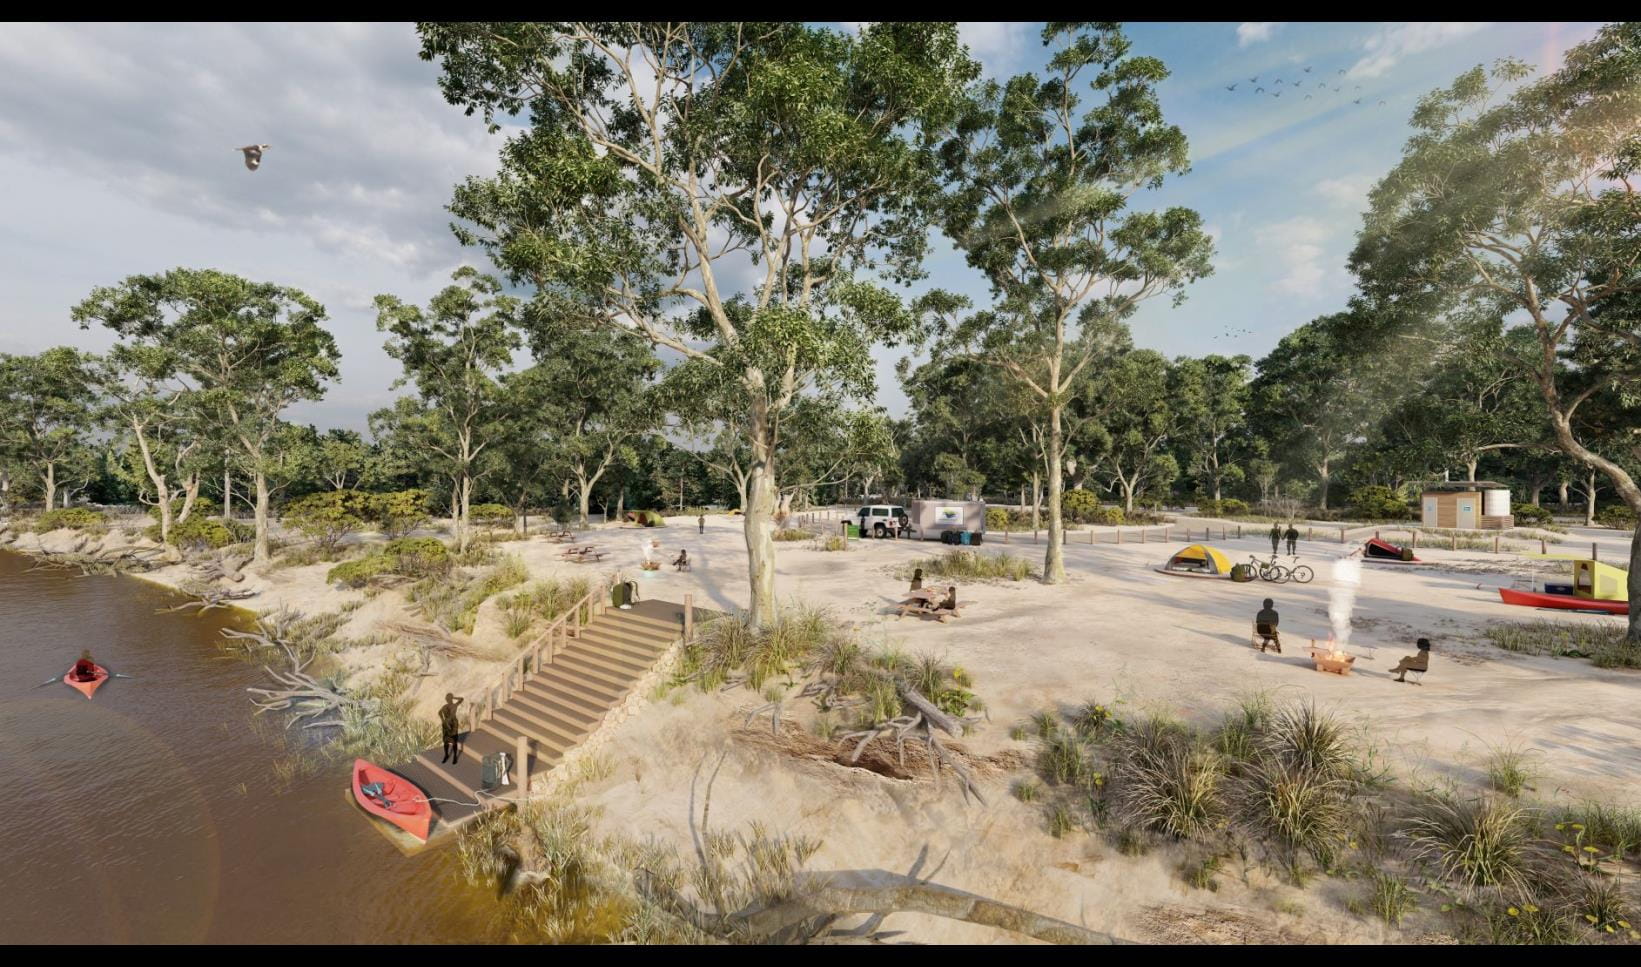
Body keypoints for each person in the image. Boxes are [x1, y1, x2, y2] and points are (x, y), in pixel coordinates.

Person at [439, 693, 464, 764]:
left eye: (448, 698)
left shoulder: (454, 705)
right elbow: (439, 712)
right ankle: (446, 755)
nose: (447, 700)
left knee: (454, 741)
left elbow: (461, 699)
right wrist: (442, 720)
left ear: (450, 699)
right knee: (446, 741)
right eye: (447, 699)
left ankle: (455, 757)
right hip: (446, 724)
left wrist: (453, 697)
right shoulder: (445, 706)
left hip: (453, 724)